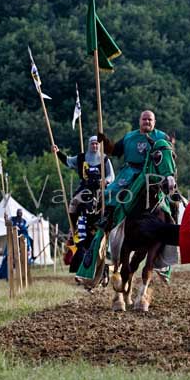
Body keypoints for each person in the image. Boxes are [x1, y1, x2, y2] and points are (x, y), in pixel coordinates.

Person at [98, 110, 173, 281]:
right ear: (139, 121)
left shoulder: (161, 136)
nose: (147, 122)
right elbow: (114, 151)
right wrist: (105, 141)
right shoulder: (129, 136)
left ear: (154, 122)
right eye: (144, 119)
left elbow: (168, 153)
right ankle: (107, 219)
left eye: (150, 119)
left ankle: (171, 227)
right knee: (111, 192)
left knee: (171, 200)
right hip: (130, 172)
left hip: (153, 174)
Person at [53, 135, 115, 232]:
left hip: (100, 188)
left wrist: (106, 180)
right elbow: (68, 161)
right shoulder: (81, 157)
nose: (95, 146)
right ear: (89, 145)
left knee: (112, 204)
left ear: (99, 145)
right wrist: (57, 152)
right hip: (85, 187)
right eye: (93, 144)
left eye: (96, 144)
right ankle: (73, 227)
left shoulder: (105, 159)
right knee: (74, 202)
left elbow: (111, 175)